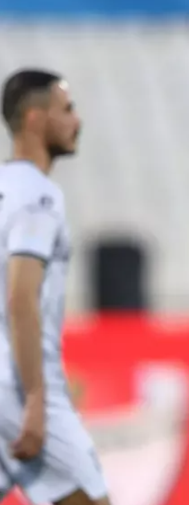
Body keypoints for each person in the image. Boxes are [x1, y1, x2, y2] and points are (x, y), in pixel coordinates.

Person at [0, 70, 110, 505]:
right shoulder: (39, 196)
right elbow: (21, 296)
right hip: (19, 385)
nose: (76, 120)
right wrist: (35, 398)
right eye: (66, 109)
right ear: (34, 118)